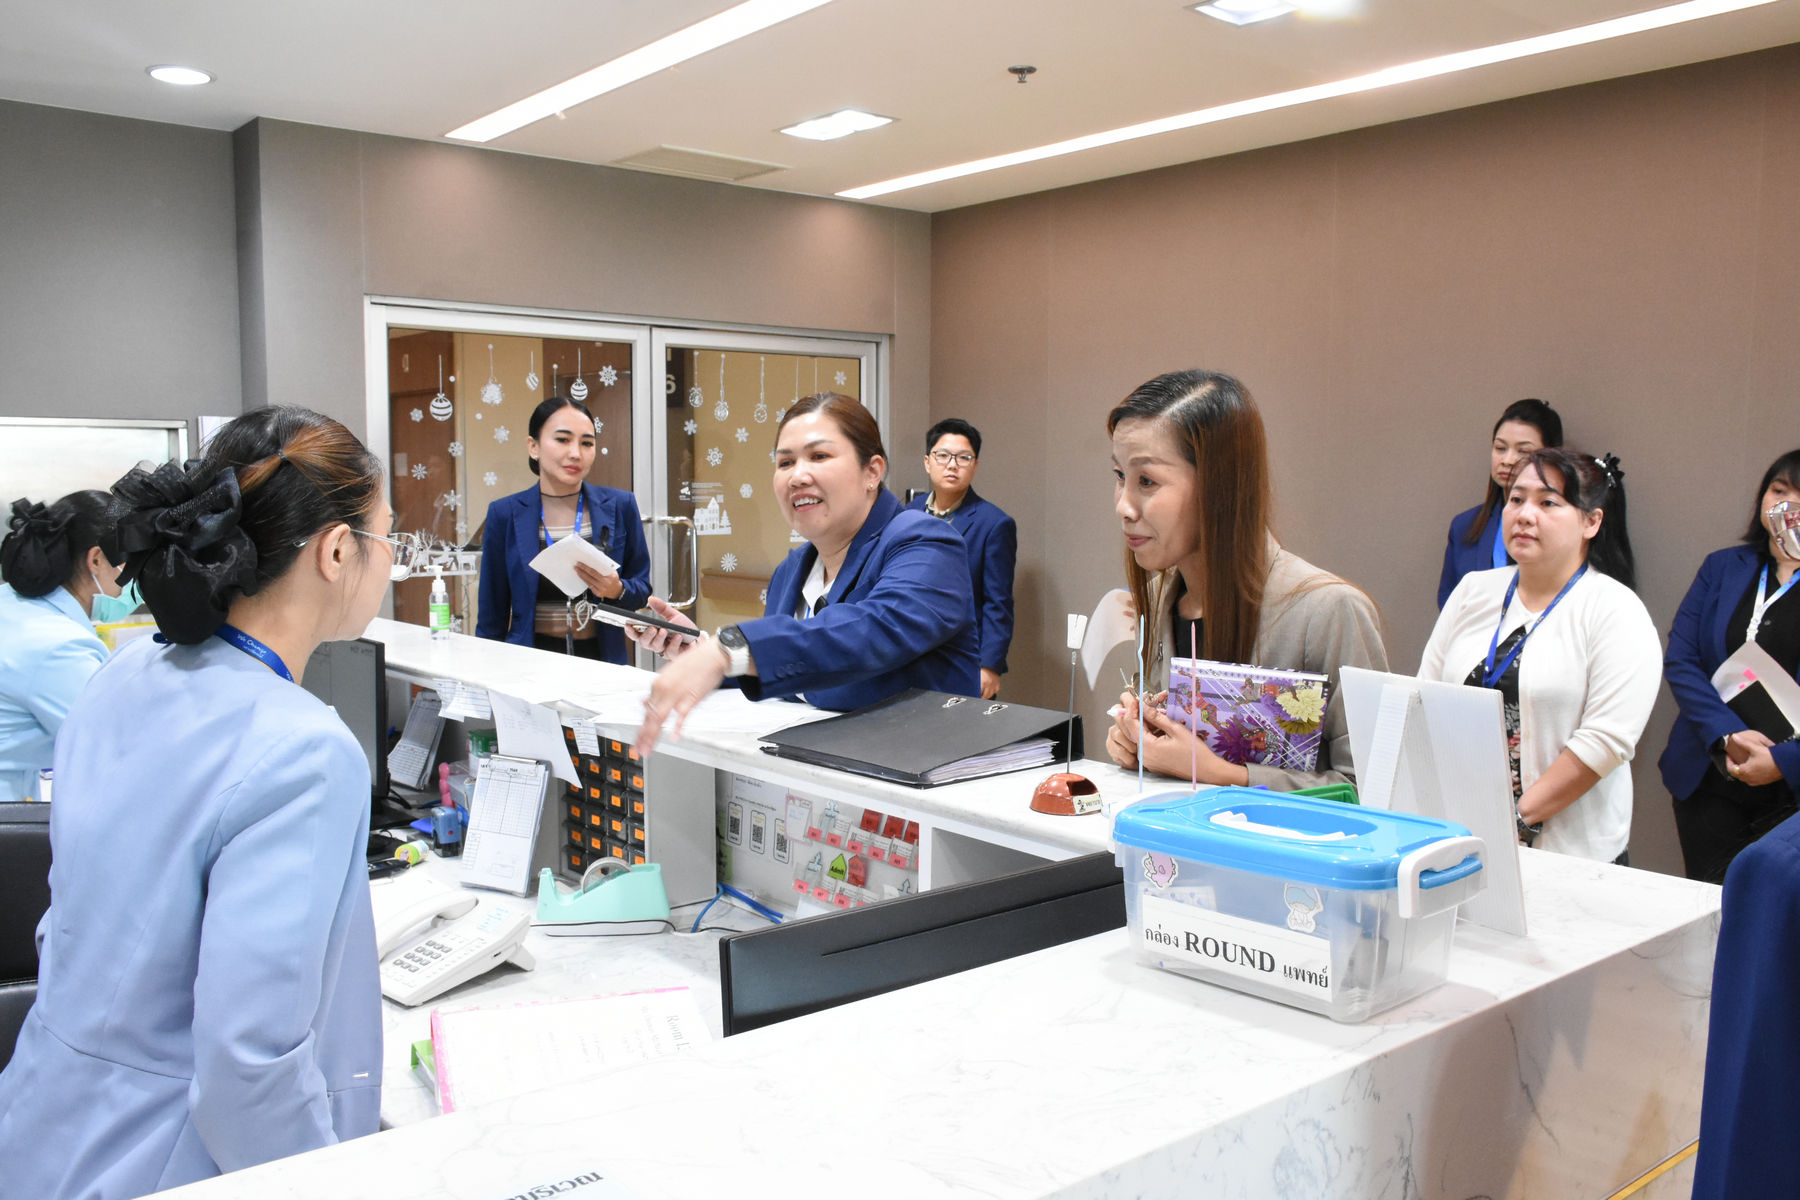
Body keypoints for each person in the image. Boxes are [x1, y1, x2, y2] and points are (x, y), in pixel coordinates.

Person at [0, 406, 411, 1197]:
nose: (390, 560)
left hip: (44, 1126)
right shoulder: (304, 751)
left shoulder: (124, 672)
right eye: (387, 537)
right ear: (335, 552)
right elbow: (249, 1072)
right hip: (161, 1163)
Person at [627, 393, 979, 755]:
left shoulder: (926, 542)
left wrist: (728, 649)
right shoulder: (792, 571)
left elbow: (871, 632)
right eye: (785, 462)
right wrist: (700, 653)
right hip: (818, 769)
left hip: (920, 770)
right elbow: (796, 673)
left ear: (872, 471)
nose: (797, 476)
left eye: (819, 456)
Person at [1103, 369, 1388, 790]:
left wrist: (1217, 773)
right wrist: (1138, 742)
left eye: (1147, 481)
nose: (1124, 506)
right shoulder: (1159, 597)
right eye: (1119, 476)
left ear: (1220, 485)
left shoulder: (1328, 611)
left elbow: (1371, 789)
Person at [1420, 448, 1661, 863]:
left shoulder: (1615, 610)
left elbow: (1605, 742)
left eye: (1548, 503)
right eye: (1516, 499)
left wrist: (1511, 820)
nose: (1524, 515)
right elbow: (1422, 698)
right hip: (1460, 837)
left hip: (1569, 854)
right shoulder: (1473, 591)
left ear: (1591, 522)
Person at [1660, 448, 1800, 883]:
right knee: (1707, 903)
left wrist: (1783, 761)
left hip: (1791, 788)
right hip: (1710, 772)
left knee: (1771, 911)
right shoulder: (1722, 567)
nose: (1787, 506)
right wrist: (1728, 734)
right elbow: (1682, 659)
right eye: (1779, 491)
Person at [476, 395, 651, 664]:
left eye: (586, 443)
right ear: (533, 446)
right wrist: (487, 673)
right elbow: (492, 614)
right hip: (528, 663)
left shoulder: (620, 505)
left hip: (601, 662)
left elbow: (641, 589)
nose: (576, 453)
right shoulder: (505, 514)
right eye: (562, 440)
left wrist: (617, 590)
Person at [0, 490, 130, 802]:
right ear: (96, 560)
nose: (131, 580)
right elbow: (114, 750)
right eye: (128, 564)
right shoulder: (59, 648)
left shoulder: (12, 602)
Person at [906, 418, 1017, 699]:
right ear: (927, 462)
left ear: (975, 465)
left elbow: (998, 602)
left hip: (961, 660)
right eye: (942, 455)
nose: (952, 465)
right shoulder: (908, 513)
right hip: (908, 654)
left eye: (963, 457)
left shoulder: (994, 523)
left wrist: (989, 665)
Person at [1438, 399, 1563, 609]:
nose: (1507, 460)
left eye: (1523, 451)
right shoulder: (1464, 526)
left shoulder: (1565, 525)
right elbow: (1448, 603)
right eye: (1500, 448)